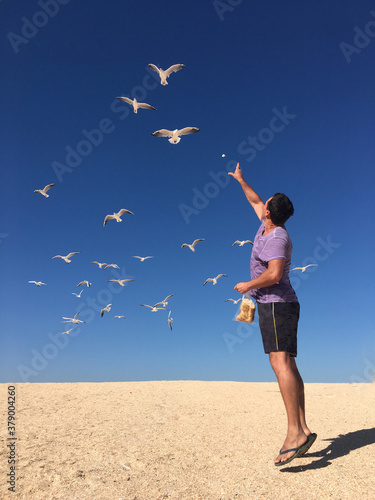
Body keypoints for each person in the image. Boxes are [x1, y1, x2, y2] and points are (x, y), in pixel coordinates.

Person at [228, 162, 316, 466]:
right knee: (287, 364)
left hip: (278, 304)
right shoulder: (265, 224)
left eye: (264, 204)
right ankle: (302, 426)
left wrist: (247, 285)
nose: (261, 203)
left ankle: (295, 434)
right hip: (276, 305)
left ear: (269, 211)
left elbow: (275, 274)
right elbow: (253, 199)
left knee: (280, 364)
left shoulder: (277, 237)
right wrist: (241, 180)